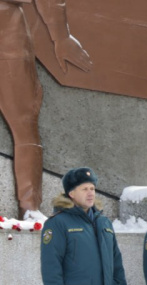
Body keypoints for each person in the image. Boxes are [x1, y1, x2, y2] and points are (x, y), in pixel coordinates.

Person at [1, 0, 92, 218]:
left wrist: (61, 36)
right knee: (25, 129)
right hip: (8, 31)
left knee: (25, 127)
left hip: (8, 33)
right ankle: (29, 208)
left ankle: (30, 208)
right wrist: (61, 36)